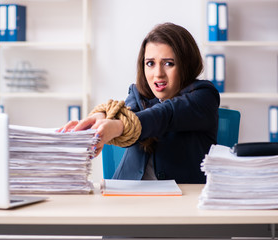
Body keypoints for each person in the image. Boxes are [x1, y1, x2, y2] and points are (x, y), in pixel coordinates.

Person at [61, 22, 220, 184]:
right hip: (127, 193)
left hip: (183, 198)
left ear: (186, 64)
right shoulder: (138, 93)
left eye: (168, 63)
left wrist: (116, 126)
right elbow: (125, 115)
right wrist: (101, 116)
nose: (158, 74)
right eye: (150, 63)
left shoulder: (205, 96)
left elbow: (163, 115)